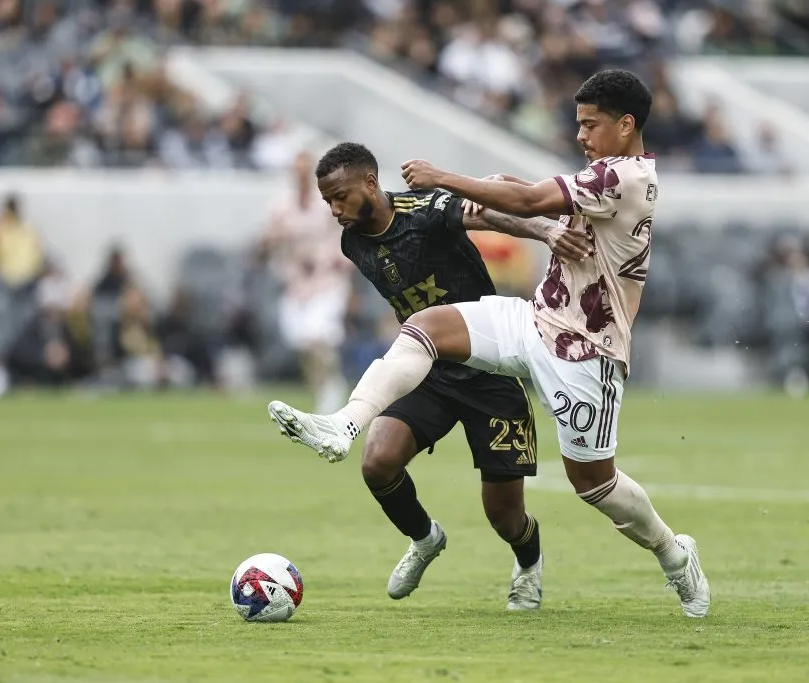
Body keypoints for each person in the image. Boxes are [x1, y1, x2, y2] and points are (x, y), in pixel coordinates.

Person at [268, 70, 711, 618]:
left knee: (593, 484)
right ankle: (343, 424)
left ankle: (674, 553)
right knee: (425, 326)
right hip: (534, 320)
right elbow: (536, 202)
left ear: (626, 125)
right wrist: (532, 209)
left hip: (584, 350)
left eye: (590, 125)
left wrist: (443, 178)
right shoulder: (604, 171)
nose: (580, 135)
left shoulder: (628, 177)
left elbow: (527, 201)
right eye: (578, 124)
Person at [270, 141, 592, 610]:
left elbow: (486, 215)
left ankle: (528, 565)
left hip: (490, 369)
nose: (334, 209)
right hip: (426, 371)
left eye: (340, 196)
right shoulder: (353, 241)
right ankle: (425, 538)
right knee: (377, 461)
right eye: (327, 201)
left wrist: (544, 229)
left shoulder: (424, 209)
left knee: (504, 516)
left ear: (370, 183)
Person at [266, 150, 354, 413]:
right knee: (300, 341)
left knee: (317, 335)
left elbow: (347, 235)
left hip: (327, 280)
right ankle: (323, 389)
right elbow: (268, 241)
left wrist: (337, 260)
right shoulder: (281, 206)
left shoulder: (329, 202)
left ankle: (332, 388)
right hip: (295, 283)